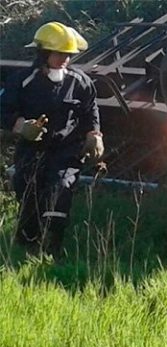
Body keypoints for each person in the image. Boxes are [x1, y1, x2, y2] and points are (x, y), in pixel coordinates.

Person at [0, 22, 103, 257]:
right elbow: (3, 110)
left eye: (68, 55)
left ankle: (52, 250)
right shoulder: (22, 81)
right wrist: (21, 126)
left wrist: (94, 135)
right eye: (59, 54)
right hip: (31, 150)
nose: (65, 59)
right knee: (28, 191)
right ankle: (26, 245)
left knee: (60, 190)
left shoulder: (80, 82)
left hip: (66, 151)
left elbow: (90, 110)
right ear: (44, 53)